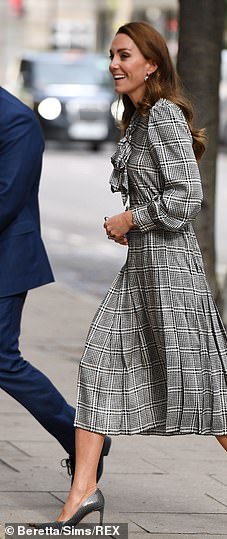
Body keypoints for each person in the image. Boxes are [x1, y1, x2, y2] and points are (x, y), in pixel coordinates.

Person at [35, 22, 227, 536]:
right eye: (112, 54)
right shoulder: (139, 120)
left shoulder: (165, 118)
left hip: (173, 276)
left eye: (125, 55)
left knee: (202, 388)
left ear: (151, 64)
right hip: (143, 270)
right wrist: (136, 226)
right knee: (97, 365)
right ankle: (83, 492)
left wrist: (133, 219)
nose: (114, 63)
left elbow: (186, 198)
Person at [0, 86, 111, 483]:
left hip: (6, 260)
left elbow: (7, 199)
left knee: (3, 361)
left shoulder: (17, 121)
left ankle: (78, 433)